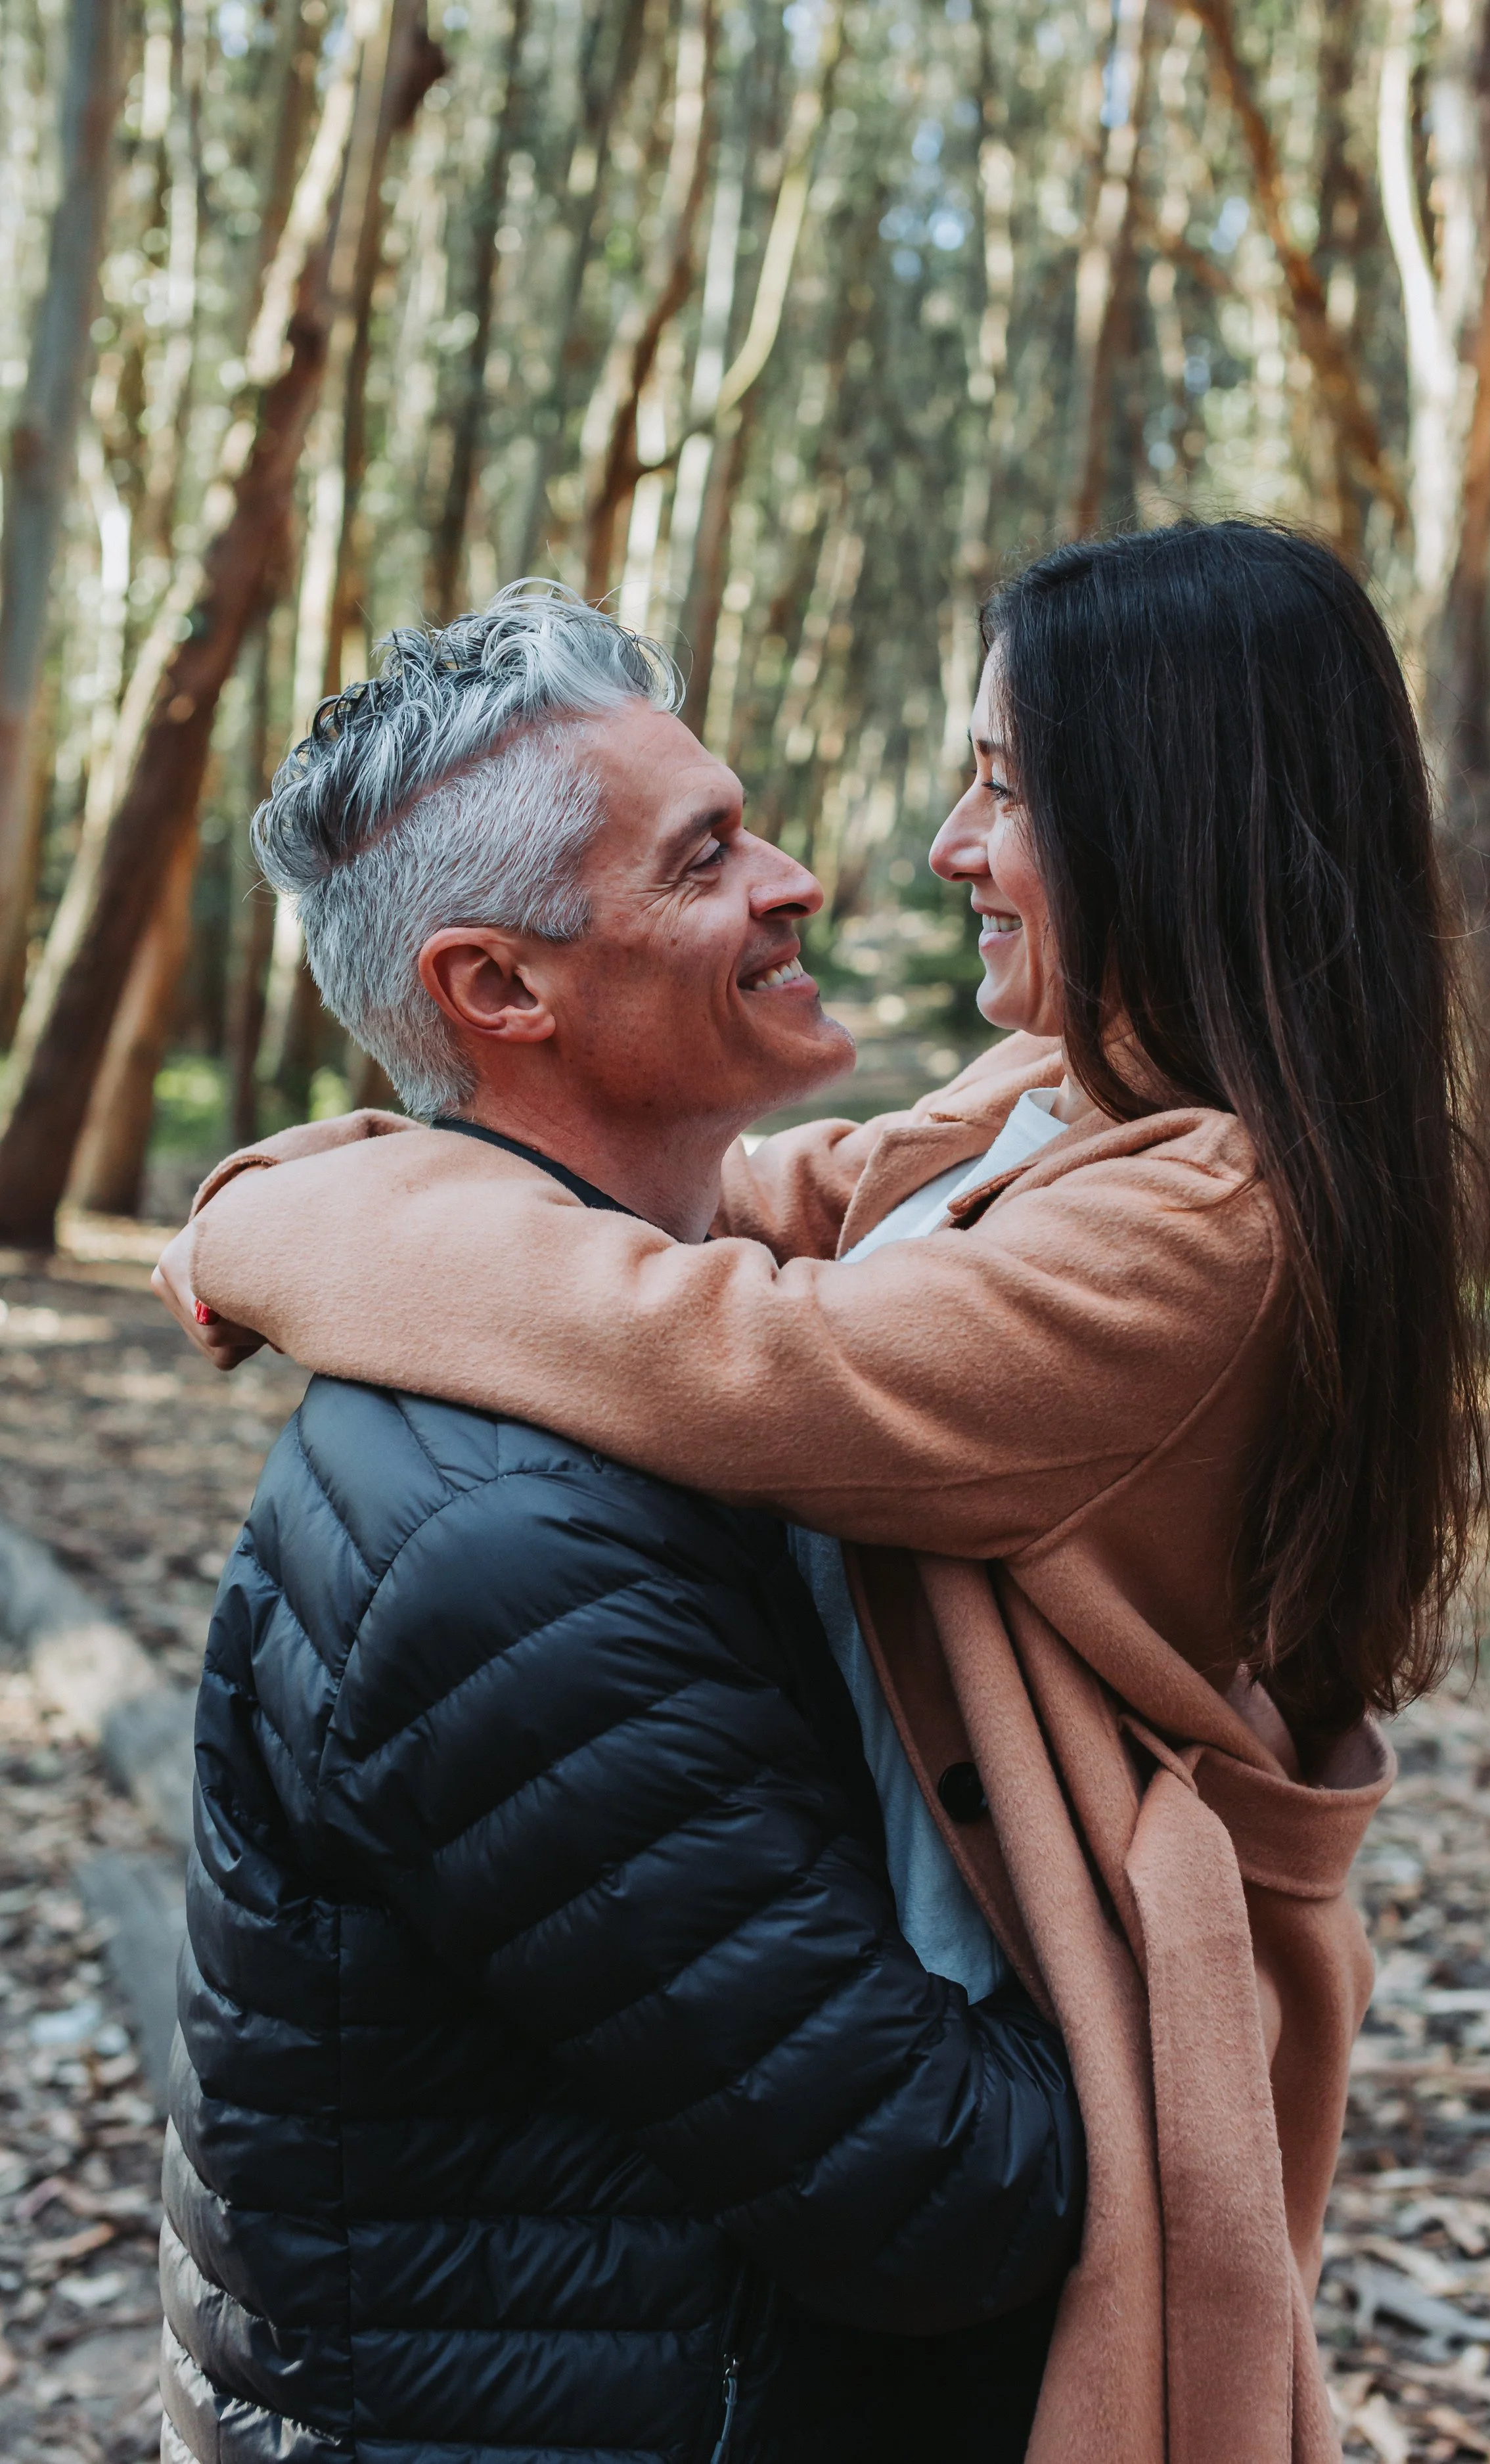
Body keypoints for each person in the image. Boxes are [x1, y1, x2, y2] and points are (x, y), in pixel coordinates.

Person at [158, 526, 1490, 2464]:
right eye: (705, 855)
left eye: (1004, 785)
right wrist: (335, 1177)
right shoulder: (1054, 1110)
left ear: (1175, 816)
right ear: (500, 984)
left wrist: (277, 1218)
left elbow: (737, 1339)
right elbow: (762, 1212)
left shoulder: (1203, 1212)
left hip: (1085, 2025)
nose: (930, 849)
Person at [153, 590, 1086, 2464]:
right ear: (499, 989)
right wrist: (1182, 1984)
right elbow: (934, 2192)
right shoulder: (508, 1541)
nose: (799, 877)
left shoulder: (642, 1356)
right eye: (707, 856)